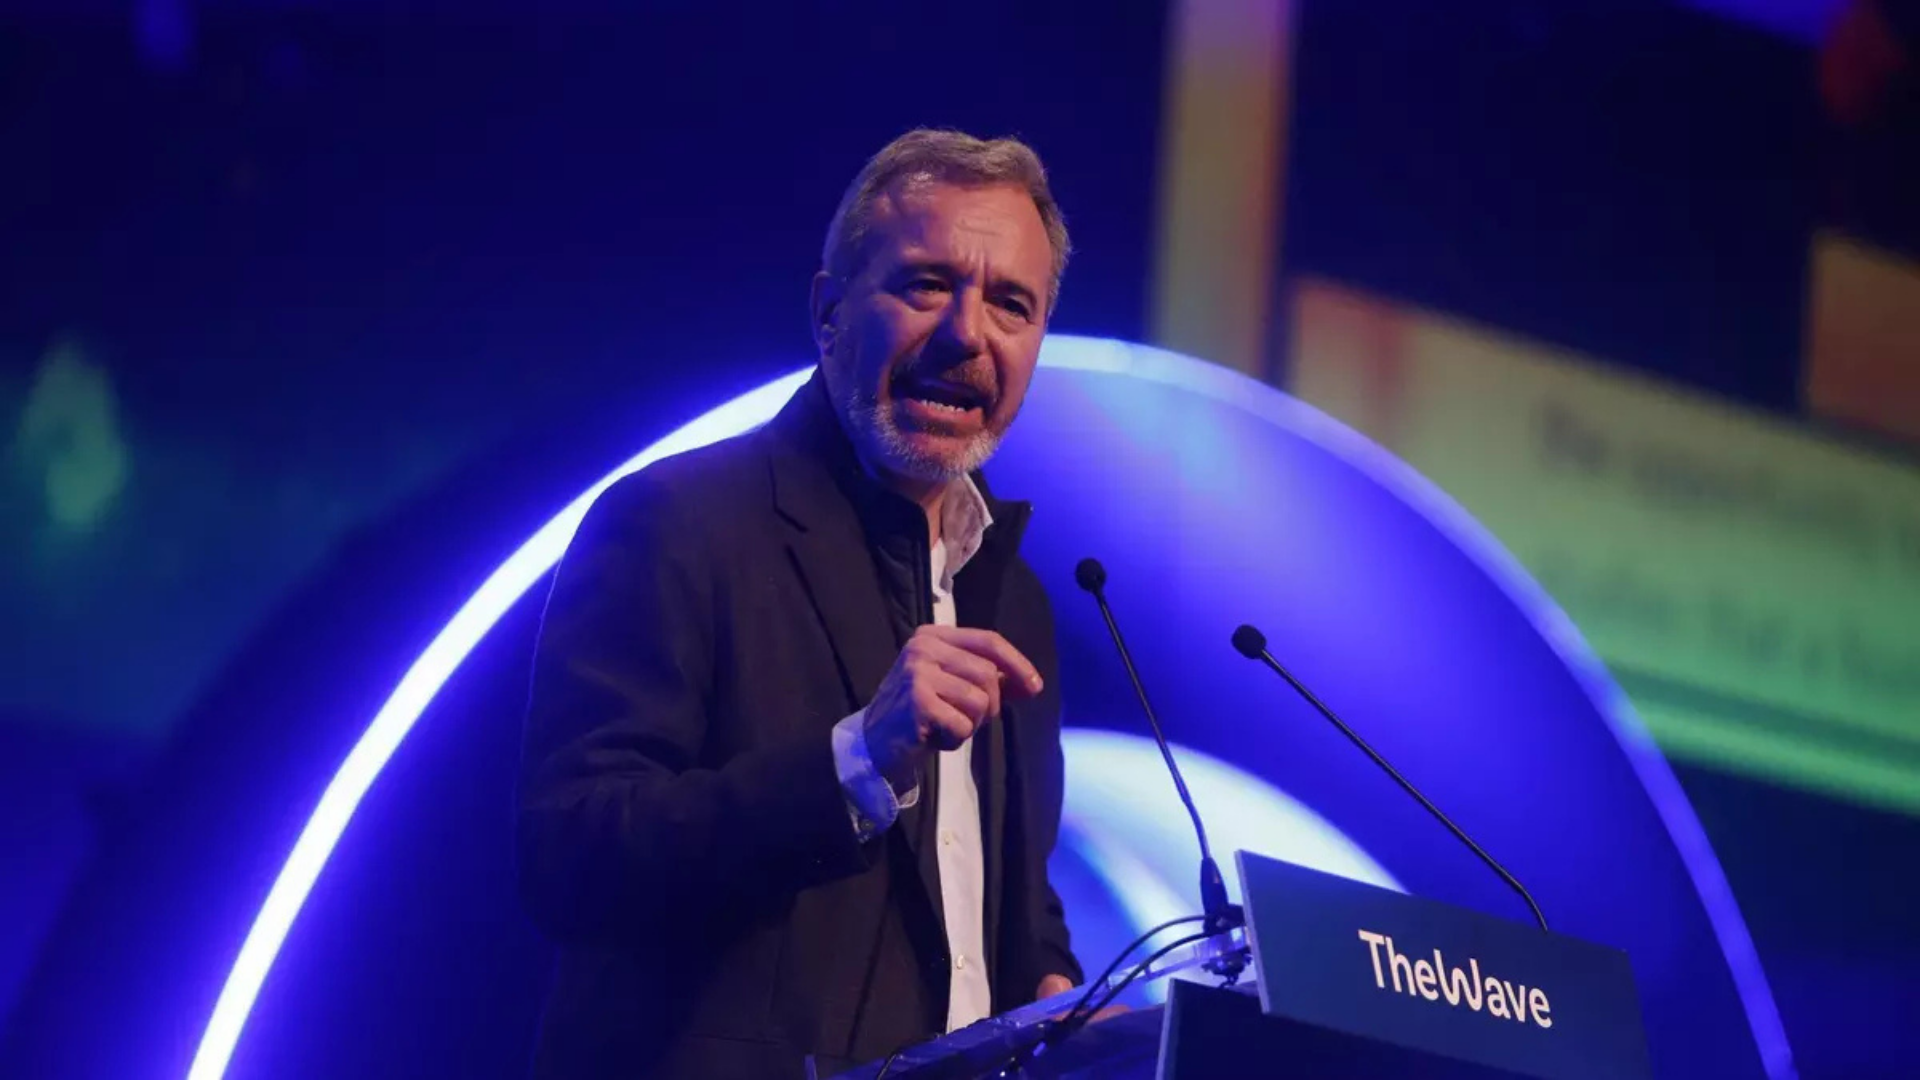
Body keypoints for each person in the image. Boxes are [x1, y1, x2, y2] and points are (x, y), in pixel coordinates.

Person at [517, 128, 1084, 1079]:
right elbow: (571, 857)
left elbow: (1007, 901)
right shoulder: (677, 522)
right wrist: (855, 760)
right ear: (829, 312)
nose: (968, 334)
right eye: (927, 285)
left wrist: (1057, 989)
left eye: (1011, 305)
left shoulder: (1011, 597)